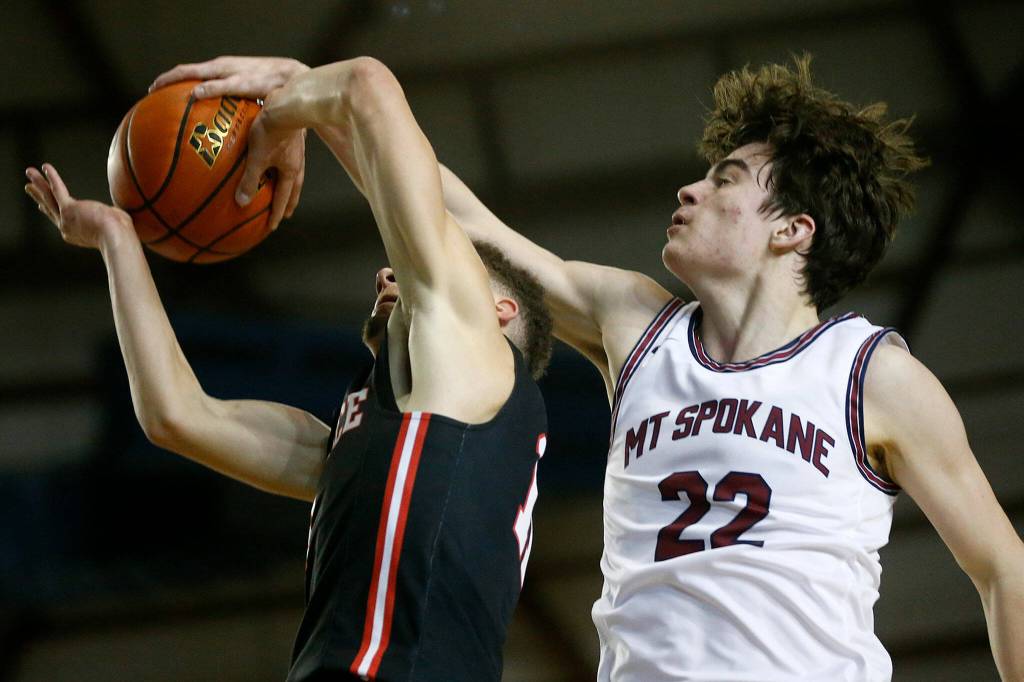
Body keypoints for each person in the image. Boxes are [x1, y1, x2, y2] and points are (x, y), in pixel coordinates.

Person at [155, 54, 1024, 680]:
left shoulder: (869, 373)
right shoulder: (636, 321)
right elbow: (450, 217)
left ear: (793, 229)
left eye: (725, 179)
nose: (692, 191)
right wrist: (308, 94)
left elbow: (1002, 568)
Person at [24, 55, 554, 682]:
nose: (390, 272)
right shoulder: (366, 448)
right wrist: (116, 239)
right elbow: (177, 415)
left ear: (496, 310)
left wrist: (280, 115)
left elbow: (367, 86)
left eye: (426, 269)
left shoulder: (473, 351)